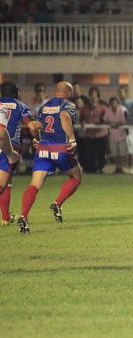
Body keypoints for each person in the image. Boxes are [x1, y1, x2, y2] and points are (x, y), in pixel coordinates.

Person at [17, 82, 82, 233]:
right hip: (60, 148)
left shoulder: (45, 106)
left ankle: (24, 216)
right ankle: (57, 203)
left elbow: (33, 126)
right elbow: (65, 117)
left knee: (34, 185)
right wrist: (72, 139)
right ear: (68, 93)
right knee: (76, 177)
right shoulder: (68, 105)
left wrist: (37, 139)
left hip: (43, 149)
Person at [0, 80, 30, 225]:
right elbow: (30, 124)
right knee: (5, 184)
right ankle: (5, 217)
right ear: (16, 93)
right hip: (9, 148)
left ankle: (6, 217)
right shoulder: (20, 106)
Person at [103, 96, 128, 174]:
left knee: (123, 153)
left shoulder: (123, 109)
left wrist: (116, 124)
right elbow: (105, 121)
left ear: (118, 103)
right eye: (112, 103)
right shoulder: (108, 110)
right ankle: (117, 167)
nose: (113, 104)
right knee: (114, 153)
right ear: (110, 104)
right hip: (112, 135)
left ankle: (122, 167)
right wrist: (112, 124)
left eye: (115, 102)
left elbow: (124, 121)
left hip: (122, 134)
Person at [117, 85, 133, 174]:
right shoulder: (117, 103)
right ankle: (122, 167)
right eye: (119, 92)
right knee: (122, 148)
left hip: (129, 127)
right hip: (120, 128)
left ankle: (130, 167)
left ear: (126, 92)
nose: (121, 94)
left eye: (123, 92)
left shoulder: (131, 103)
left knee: (130, 147)